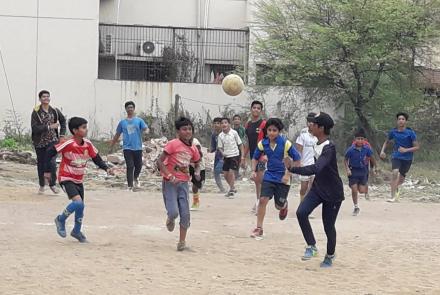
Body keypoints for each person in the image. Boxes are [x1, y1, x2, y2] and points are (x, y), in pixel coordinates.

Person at [286, 112, 344, 268]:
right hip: (318, 188)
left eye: (314, 123)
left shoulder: (329, 147)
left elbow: (317, 168)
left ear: (321, 128)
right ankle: (311, 246)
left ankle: (330, 255)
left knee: (328, 226)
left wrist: (294, 170)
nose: (310, 125)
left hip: (333, 192)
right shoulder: (316, 143)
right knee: (301, 212)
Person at [48, 117, 112, 243]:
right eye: (83, 127)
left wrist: (106, 168)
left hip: (78, 179)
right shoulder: (68, 143)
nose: (86, 129)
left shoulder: (88, 144)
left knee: (80, 207)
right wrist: (47, 170)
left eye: (85, 127)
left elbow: (96, 158)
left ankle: (76, 231)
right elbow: (51, 151)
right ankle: (60, 219)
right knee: (77, 203)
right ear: (75, 130)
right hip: (66, 177)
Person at [250, 118, 301, 239]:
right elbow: (255, 158)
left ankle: (284, 205)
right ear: (266, 131)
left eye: (274, 130)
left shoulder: (285, 143)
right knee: (262, 200)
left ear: (279, 131)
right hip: (269, 175)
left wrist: (288, 174)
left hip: (283, 178)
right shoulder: (263, 143)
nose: (272, 132)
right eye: (269, 130)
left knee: (278, 205)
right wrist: (253, 170)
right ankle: (259, 228)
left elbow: (297, 159)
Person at [156, 117, 201, 251]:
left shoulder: (193, 148)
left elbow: (197, 163)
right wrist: (169, 175)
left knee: (186, 214)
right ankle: (170, 218)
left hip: (184, 184)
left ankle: (182, 243)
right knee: (174, 212)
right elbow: (159, 161)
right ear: (178, 131)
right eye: (184, 129)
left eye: (189, 129)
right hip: (170, 183)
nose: (187, 132)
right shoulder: (173, 144)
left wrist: (197, 172)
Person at [31, 90, 66, 195]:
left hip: (53, 140)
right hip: (39, 141)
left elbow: (63, 121)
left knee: (51, 162)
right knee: (41, 163)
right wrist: (49, 127)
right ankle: (42, 185)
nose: (46, 98)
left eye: (47, 96)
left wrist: (62, 135)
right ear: (40, 99)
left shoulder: (54, 111)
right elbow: (34, 128)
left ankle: (52, 184)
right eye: (43, 97)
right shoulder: (36, 112)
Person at [380, 112, 419, 202]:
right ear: (397, 121)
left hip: (407, 158)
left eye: (403, 119)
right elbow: (386, 141)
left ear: (406, 121)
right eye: (399, 119)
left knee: (401, 180)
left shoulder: (410, 133)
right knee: (394, 173)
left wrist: (406, 150)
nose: (401, 121)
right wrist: (382, 151)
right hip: (396, 156)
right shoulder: (393, 132)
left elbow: (417, 147)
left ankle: (396, 187)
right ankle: (392, 197)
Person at [110, 101, 149, 191]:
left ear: (134, 109)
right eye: (128, 107)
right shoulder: (122, 123)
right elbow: (117, 134)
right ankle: (130, 186)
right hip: (127, 147)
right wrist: (112, 145)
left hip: (138, 147)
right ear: (126, 109)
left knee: (138, 165)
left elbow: (146, 128)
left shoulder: (139, 120)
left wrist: (146, 131)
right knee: (130, 166)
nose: (130, 109)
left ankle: (135, 178)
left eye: (131, 107)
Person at [344, 128, 377, 216]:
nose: (360, 140)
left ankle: (365, 188)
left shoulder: (367, 149)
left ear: (364, 140)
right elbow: (345, 159)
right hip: (353, 171)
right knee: (354, 189)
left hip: (363, 171)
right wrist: (347, 169)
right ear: (355, 140)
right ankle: (356, 207)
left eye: (362, 139)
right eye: (358, 139)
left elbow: (372, 158)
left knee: (361, 191)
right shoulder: (351, 149)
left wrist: (374, 168)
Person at [244, 101, 267, 213]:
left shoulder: (264, 124)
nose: (256, 110)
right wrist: (243, 156)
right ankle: (258, 200)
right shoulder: (248, 125)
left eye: (258, 108)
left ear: (261, 110)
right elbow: (247, 141)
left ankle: (260, 203)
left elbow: (268, 140)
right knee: (257, 181)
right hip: (252, 156)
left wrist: (266, 154)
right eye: (254, 108)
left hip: (262, 156)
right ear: (251, 109)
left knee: (260, 179)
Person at [218, 118, 244, 197]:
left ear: (229, 124)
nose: (224, 124)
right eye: (222, 123)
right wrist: (223, 153)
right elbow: (220, 147)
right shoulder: (220, 135)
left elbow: (240, 144)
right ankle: (232, 187)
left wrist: (242, 156)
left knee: (231, 172)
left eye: (226, 122)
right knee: (225, 174)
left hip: (235, 155)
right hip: (226, 156)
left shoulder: (234, 133)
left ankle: (231, 190)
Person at [295, 112, 318, 203]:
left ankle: (306, 206)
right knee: (303, 187)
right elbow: (298, 151)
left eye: (312, 122)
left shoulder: (318, 136)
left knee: (312, 186)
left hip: (314, 165)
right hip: (304, 164)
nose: (310, 124)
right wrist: (299, 162)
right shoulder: (303, 136)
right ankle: (302, 202)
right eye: (308, 121)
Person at [210, 117, 226, 193]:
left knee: (224, 171)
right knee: (216, 172)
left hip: (225, 156)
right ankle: (222, 189)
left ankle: (231, 187)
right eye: (215, 123)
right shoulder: (214, 135)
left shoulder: (225, 133)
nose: (216, 125)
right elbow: (213, 147)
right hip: (217, 156)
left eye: (218, 123)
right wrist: (210, 150)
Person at [190, 137, 205, 210]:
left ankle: (196, 201)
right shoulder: (179, 142)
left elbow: (200, 156)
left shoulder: (195, 143)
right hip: (187, 165)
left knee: (196, 185)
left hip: (198, 165)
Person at [232, 114, 246, 179]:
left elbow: (244, 137)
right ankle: (235, 174)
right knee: (234, 161)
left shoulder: (243, 129)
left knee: (239, 160)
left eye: (238, 119)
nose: (236, 120)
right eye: (235, 119)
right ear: (233, 121)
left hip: (241, 147)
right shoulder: (231, 130)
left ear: (240, 121)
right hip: (233, 148)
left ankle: (238, 174)